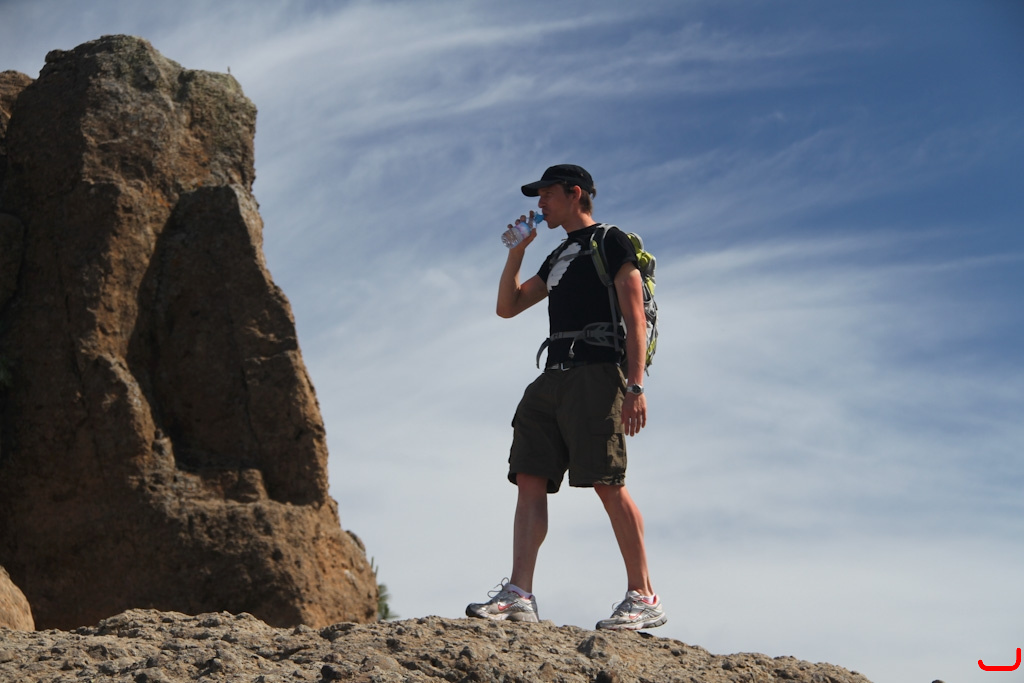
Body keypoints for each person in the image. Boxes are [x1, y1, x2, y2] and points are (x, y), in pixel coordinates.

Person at [466, 164, 666, 631]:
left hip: (597, 374)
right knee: (529, 476)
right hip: (552, 376)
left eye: (547, 194)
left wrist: (635, 386)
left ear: (575, 193)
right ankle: (519, 593)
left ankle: (643, 596)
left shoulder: (610, 241)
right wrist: (516, 254)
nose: (540, 204)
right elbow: (508, 307)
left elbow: (635, 317)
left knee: (606, 481)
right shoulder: (557, 253)